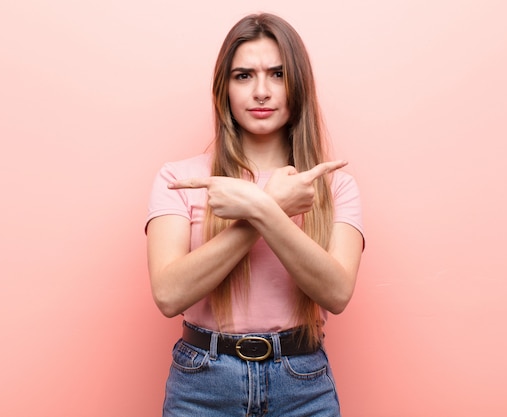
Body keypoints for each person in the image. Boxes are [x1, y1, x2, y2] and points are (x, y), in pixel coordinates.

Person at [145, 12, 364, 417]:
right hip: (201, 386)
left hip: (302, 386)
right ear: (223, 89)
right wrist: (270, 207)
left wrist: (260, 208)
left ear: (298, 85)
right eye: (244, 75)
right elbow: (169, 295)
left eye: (277, 74)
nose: (261, 91)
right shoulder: (180, 178)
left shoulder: (334, 186)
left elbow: (336, 294)